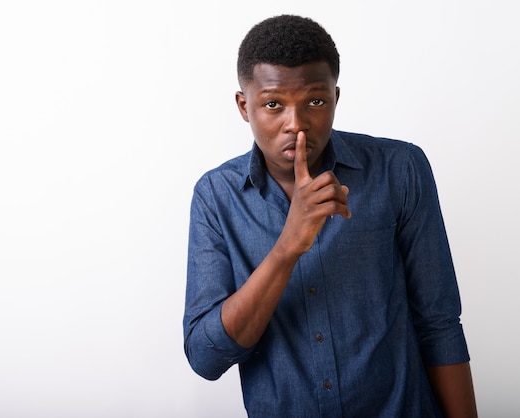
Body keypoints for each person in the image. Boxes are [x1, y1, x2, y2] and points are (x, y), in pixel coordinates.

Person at [183, 14, 477, 418]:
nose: (296, 124)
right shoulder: (216, 197)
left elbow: (439, 324)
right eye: (273, 104)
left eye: (315, 102)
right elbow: (205, 356)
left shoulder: (400, 169)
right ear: (243, 106)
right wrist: (287, 248)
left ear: (336, 98)